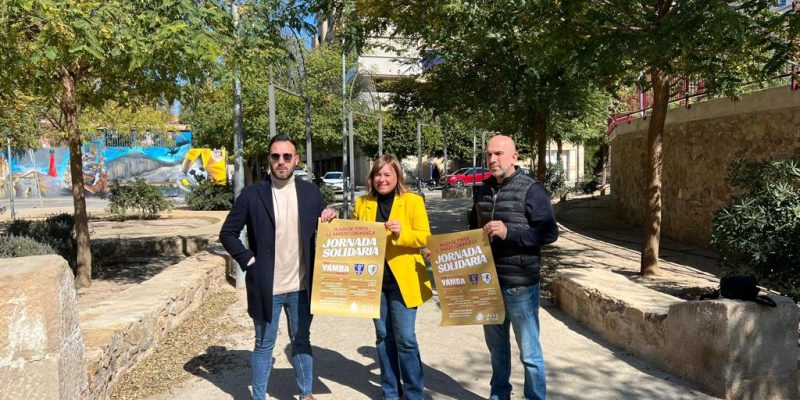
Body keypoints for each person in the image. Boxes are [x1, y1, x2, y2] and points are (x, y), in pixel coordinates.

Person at [219, 134, 337, 400]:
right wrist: (249, 261)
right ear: (269, 160)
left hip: (302, 286)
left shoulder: (310, 192)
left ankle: (306, 394)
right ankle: (258, 396)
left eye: (287, 156)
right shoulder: (252, 195)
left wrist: (330, 215)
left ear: (296, 159)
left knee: (301, 341)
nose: (281, 162)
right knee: (264, 345)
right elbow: (228, 233)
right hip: (266, 286)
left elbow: (325, 220)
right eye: (275, 156)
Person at [468, 135, 559, 400]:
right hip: (488, 284)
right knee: (497, 352)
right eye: (488, 155)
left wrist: (511, 233)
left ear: (514, 157)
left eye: (498, 154)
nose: (492, 160)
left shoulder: (532, 189)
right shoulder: (482, 190)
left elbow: (549, 232)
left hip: (520, 285)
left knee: (529, 354)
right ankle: (499, 395)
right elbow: (472, 233)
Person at [354, 154, 432, 400]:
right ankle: (390, 392)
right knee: (383, 337)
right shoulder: (362, 203)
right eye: (377, 174)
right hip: (374, 282)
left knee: (406, 339)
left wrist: (402, 232)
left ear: (397, 176)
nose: (382, 179)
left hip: (404, 281)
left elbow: (425, 238)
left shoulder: (412, 201)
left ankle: (414, 393)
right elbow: (354, 236)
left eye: (387, 174)